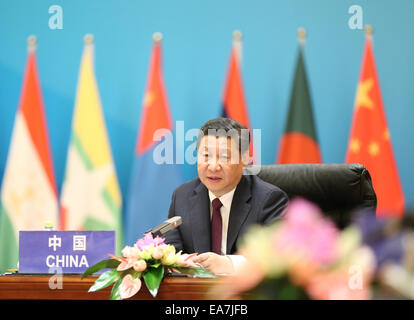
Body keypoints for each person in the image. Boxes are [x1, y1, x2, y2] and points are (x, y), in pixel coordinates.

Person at [165, 118, 289, 274]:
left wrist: (230, 264)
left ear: (244, 159)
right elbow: (171, 252)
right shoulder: (182, 196)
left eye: (224, 157)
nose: (213, 166)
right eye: (206, 155)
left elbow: (278, 257)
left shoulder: (269, 200)